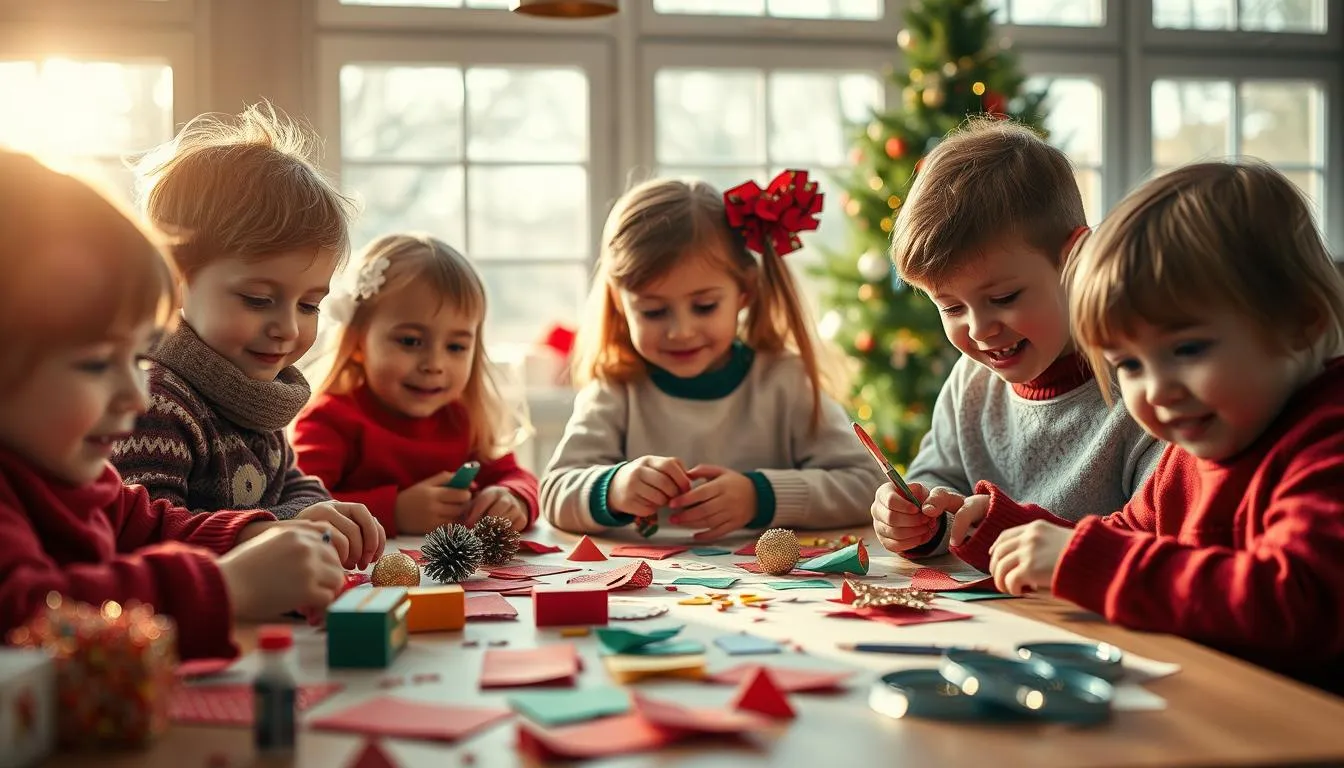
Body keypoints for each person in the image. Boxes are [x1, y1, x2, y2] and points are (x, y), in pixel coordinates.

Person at [952, 161, 1344, 692]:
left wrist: (1084, 560)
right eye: (1129, 365)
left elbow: (1296, 604)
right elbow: (1125, 536)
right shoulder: (1186, 455)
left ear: (1301, 324)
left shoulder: (1327, 442)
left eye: (1187, 350)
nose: (1156, 391)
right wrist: (1009, 533)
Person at [0, 152, 348, 659]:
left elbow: (151, 524)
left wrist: (252, 533)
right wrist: (227, 586)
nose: (137, 394)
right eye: (96, 364)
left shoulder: (74, 476)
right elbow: (30, 617)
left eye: (139, 357)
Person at [869, 118, 1161, 558]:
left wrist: (1003, 527)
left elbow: (1153, 537)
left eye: (1004, 298)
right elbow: (939, 477)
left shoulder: (1144, 387)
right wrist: (920, 518)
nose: (979, 330)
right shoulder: (970, 382)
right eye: (951, 308)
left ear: (1074, 260)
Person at [108, 104, 382, 567]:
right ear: (176, 278)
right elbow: (144, 533)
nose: (288, 328)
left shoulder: (248, 391)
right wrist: (279, 527)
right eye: (258, 299)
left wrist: (325, 513)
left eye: (309, 305)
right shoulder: (156, 401)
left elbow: (290, 482)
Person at [542, 172, 882, 539]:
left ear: (744, 293)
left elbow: (866, 485)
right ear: (621, 305)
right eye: (653, 312)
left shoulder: (785, 381)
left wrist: (759, 497)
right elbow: (555, 491)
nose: (681, 331)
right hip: (642, 576)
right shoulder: (616, 388)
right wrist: (613, 487)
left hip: (770, 576)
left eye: (704, 306)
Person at [293, 234, 538, 536]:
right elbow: (301, 507)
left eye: (456, 347)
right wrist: (394, 511)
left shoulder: (464, 418)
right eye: (411, 341)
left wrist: (512, 497)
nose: (434, 364)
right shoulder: (329, 421)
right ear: (357, 342)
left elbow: (516, 476)